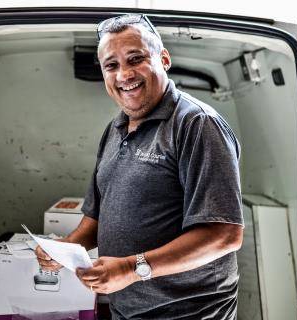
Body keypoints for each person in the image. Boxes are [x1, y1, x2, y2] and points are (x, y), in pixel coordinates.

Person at [35, 14, 244, 319]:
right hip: (129, 308)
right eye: (112, 65)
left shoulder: (196, 124)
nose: (124, 74)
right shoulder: (114, 129)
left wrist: (132, 268)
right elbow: (96, 219)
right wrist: (64, 249)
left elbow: (224, 234)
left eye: (135, 59)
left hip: (189, 312)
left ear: (164, 59)